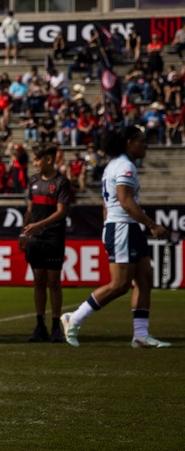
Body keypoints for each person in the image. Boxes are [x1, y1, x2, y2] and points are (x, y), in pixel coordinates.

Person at [61, 126, 171, 349]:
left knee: (144, 279)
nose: (145, 144)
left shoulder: (116, 165)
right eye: (141, 140)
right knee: (120, 285)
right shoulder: (125, 166)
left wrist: (107, 227)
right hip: (123, 227)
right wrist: (151, 225)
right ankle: (74, 318)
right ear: (129, 142)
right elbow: (126, 202)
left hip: (124, 227)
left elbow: (107, 204)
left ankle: (140, 335)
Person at [21, 142, 71, 343]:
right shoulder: (33, 181)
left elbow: (62, 212)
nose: (34, 163)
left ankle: (55, 326)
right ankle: (40, 325)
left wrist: (38, 226)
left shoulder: (61, 182)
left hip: (53, 238)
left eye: (37, 159)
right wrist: (24, 233)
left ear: (48, 159)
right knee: (38, 281)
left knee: (54, 282)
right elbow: (30, 210)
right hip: (35, 238)